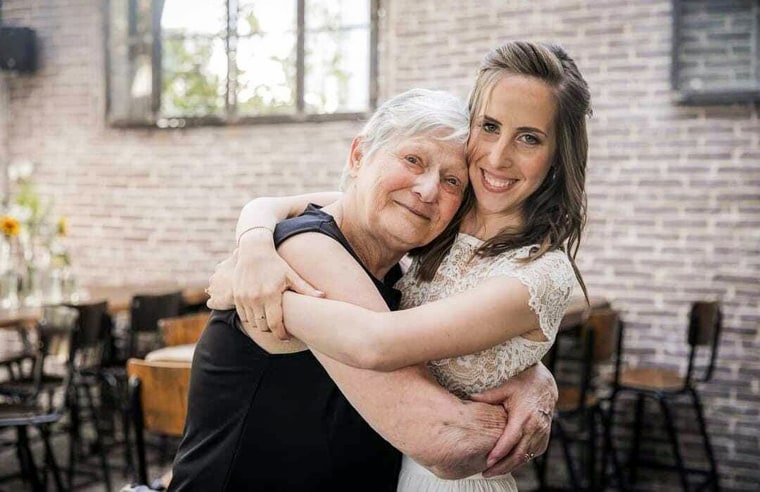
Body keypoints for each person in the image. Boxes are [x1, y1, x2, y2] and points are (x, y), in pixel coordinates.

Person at [209, 41, 592, 492]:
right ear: (358, 156)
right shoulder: (333, 244)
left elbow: (387, 341)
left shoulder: (450, 258)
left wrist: (257, 294)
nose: (428, 190)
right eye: (412, 160)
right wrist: (254, 238)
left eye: (529, 137)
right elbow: (293, 206)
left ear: (556, 157)